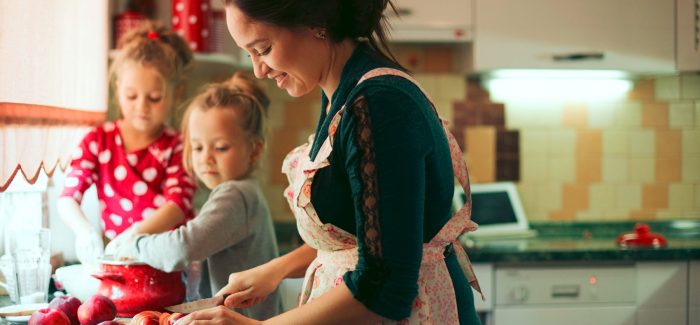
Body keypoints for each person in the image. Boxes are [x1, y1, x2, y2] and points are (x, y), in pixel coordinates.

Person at [179, 0, 483, 324]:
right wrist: (275, 271)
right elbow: (365, 234)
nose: (259, 70)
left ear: (314, 21)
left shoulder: (379, 104)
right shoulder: (343, 94)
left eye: (263, 48)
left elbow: (384, 288)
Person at [106, 72, 280, 320]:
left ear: (254, 150)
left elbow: (183, 248)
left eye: (220, 147)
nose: (206, 157)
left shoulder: (235, 194)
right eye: (198, 147)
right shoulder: (243, 191)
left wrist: (134, 243)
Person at [58, 21, 196, 265]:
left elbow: (178, 205)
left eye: (154, 98)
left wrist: (134, 235)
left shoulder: (178, 146)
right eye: (132, 96)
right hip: (120, 260)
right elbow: (68, 197)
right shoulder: (98, 141)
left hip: (168, 262)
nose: (141, 107)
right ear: (118, 88)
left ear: (178, 93)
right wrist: (84, 231)